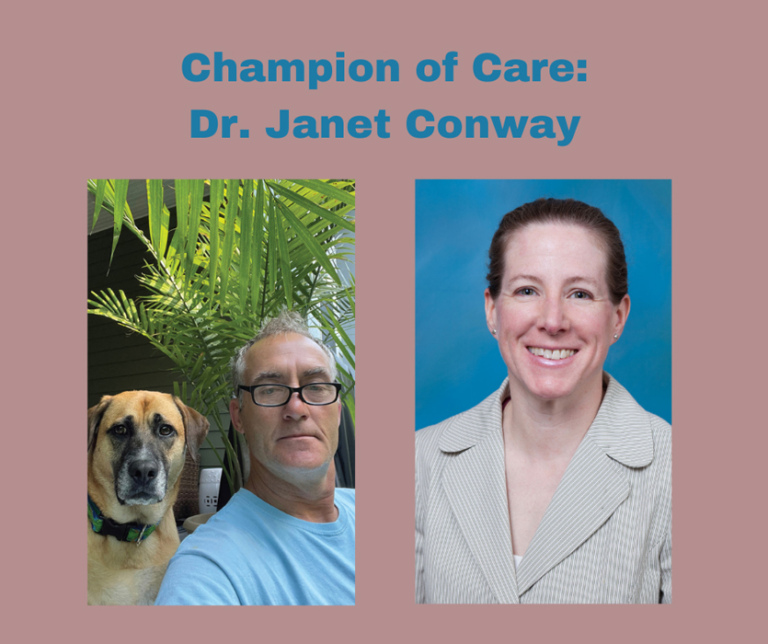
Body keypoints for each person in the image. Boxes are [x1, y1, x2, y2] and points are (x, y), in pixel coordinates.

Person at [415, 198, 671, 604]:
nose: (552, 321)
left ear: (618, 317)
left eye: (581, 294)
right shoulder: (419, 460)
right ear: (492, 311)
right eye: (527, 290)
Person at [156, 312, 355, 605]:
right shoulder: (210, 568)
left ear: (337, 412)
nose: (297, 408)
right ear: (238, 417)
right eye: (270, 390)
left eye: (315, 386)